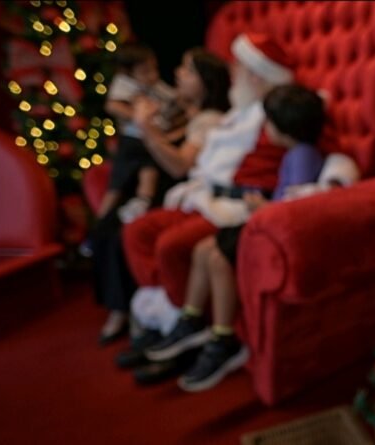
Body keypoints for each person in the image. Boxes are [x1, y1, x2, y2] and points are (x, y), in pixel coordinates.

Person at [119, 33, 295, 382]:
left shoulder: (276, 115)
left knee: (172, 246)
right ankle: (169, 318)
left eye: (238, 67)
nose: (232, 73)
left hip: (234, 205)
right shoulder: (238, 113)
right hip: (207, 196)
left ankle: (191, 329)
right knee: (137, 231)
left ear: (255, 74)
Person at [144, 84, 326, 392]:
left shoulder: (302, 156)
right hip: (264, 222)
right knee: (203, 249)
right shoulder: (296, 153)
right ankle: (192, 318)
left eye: (269, 123)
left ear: (283, 128)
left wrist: (262, 208)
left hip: (271, 228)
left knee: (216, 257)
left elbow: (296, 209)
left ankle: (223, 337)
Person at [92, 48, 230, 344]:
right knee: (104, 230)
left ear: (206, 82)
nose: (177, 73)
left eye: (188, 70)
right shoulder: (177, 106)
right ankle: (130, 309)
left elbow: (180, 165)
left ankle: (134, 312)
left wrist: (146, 128)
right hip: (153, 177)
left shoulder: (208, 120)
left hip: (173, 185)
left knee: (119, 233)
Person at [100, 44, 183, 222]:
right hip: (132, 139)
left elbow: (173, 97)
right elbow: (112, 105)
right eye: (145, 72)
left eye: (154, 69)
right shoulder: (125, 84)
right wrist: (139, 117)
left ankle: (141, 203)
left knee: (149, 170)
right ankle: (102, 220)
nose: (152, 75)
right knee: (117, 183)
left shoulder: (155, 85)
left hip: (148, 138)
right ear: (128, 72)